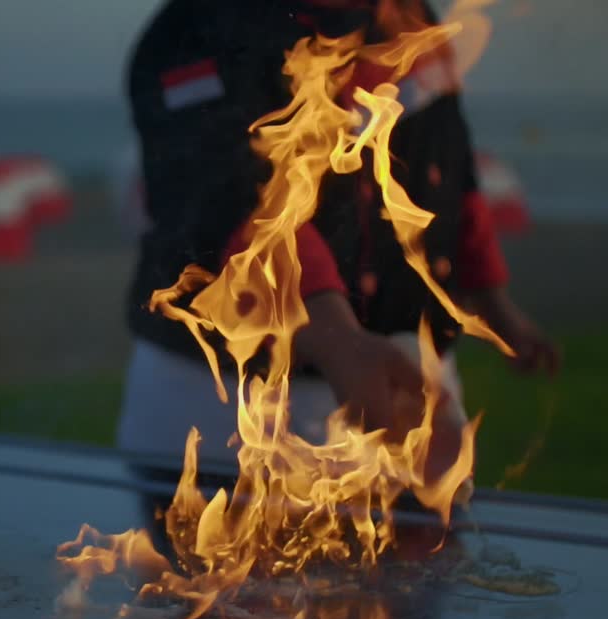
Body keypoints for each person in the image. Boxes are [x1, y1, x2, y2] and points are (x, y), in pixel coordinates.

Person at [115, 0, 559, 477]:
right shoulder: (193, 32)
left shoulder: (408, 15)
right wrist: (340, 340)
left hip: (407, 379)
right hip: (227, 409)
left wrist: (490, 298)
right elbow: (230, 202)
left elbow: (451, 168)